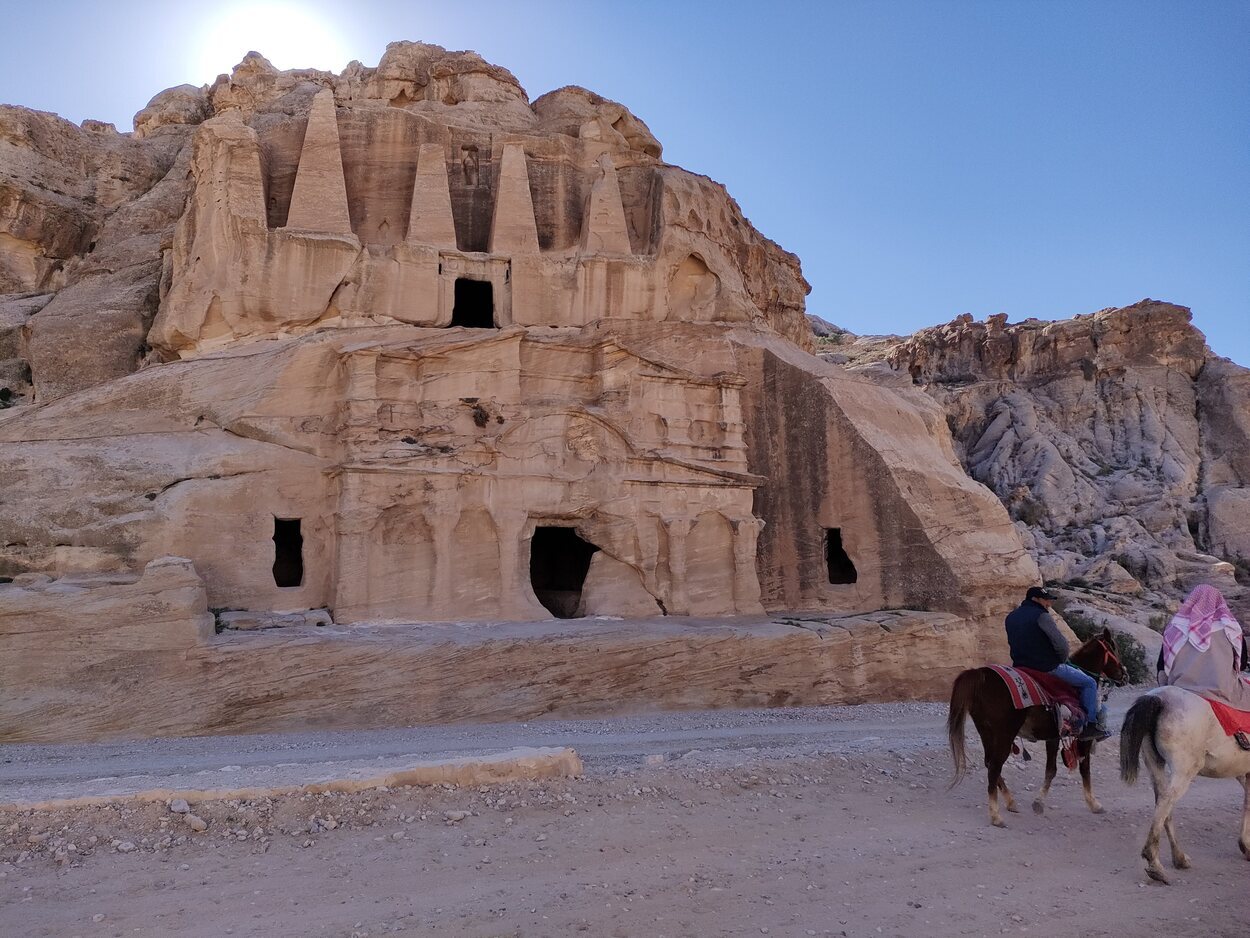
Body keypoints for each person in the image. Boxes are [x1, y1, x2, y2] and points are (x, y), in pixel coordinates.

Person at [1004, 586, 1108, 740]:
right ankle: (1090, 725)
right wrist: (1060, 660)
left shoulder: (1011, 617)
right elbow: (1061, 645)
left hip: (1020, 667)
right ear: (1035, 599)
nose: (1049, 604)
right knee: (1089, 683)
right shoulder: (1042, 616)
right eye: (1046, 600)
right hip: (1046, 667)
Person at [1161, 584, 1250, 749]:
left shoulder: (1175, 627)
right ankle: (1240, 734)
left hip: (1181, 686)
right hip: (1219, 688)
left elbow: (1162, 664)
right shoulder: (1231, 628)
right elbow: (1242, 664)